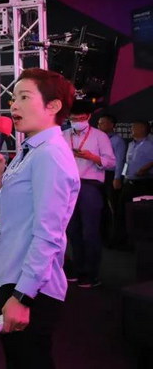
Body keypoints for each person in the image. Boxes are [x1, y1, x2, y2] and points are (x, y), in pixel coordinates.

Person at [0, 67, 79, 368]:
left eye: (24, 97)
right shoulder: (28, 152)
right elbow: (4, 218)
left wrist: (23, 296)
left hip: (29, 286)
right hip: (13, 276)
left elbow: (49, 234)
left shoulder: (50, 154)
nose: (14, 105)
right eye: (13, 98)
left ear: (53, 106)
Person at [62, 100, 115, 288]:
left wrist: (91, 157)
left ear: (89, 117)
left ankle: (91, 274)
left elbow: (111, 163)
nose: (78, 121)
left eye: (81, 118)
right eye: (74, 118)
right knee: (72, 231)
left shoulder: (100, 136)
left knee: (90, 231)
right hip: (67, 187)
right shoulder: (62, 135)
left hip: (89, 186)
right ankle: (78, 270)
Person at [117, 120, 153, 246]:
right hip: (129, 181)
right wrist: (122, 176)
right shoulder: (131, 144)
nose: (131, 130)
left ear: (142, 129)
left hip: (144, 183)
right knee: (124, 211)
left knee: (141, 215)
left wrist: (146, 168)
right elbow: (128, 162)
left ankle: (142, 243)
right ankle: (125, 241)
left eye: (134, 127)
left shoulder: (150, 143)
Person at [97, 114, 127, 245]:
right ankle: (103, 236)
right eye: (99, 123)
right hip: (100, 175)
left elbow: (120, 160)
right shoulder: (99, 139)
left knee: (113, 207)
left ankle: (116, 237)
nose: (99, 125)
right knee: (101, 206)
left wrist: (117, 177)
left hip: (112, 175)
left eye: (103, 123)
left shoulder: (117, 140)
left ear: (111, 125)